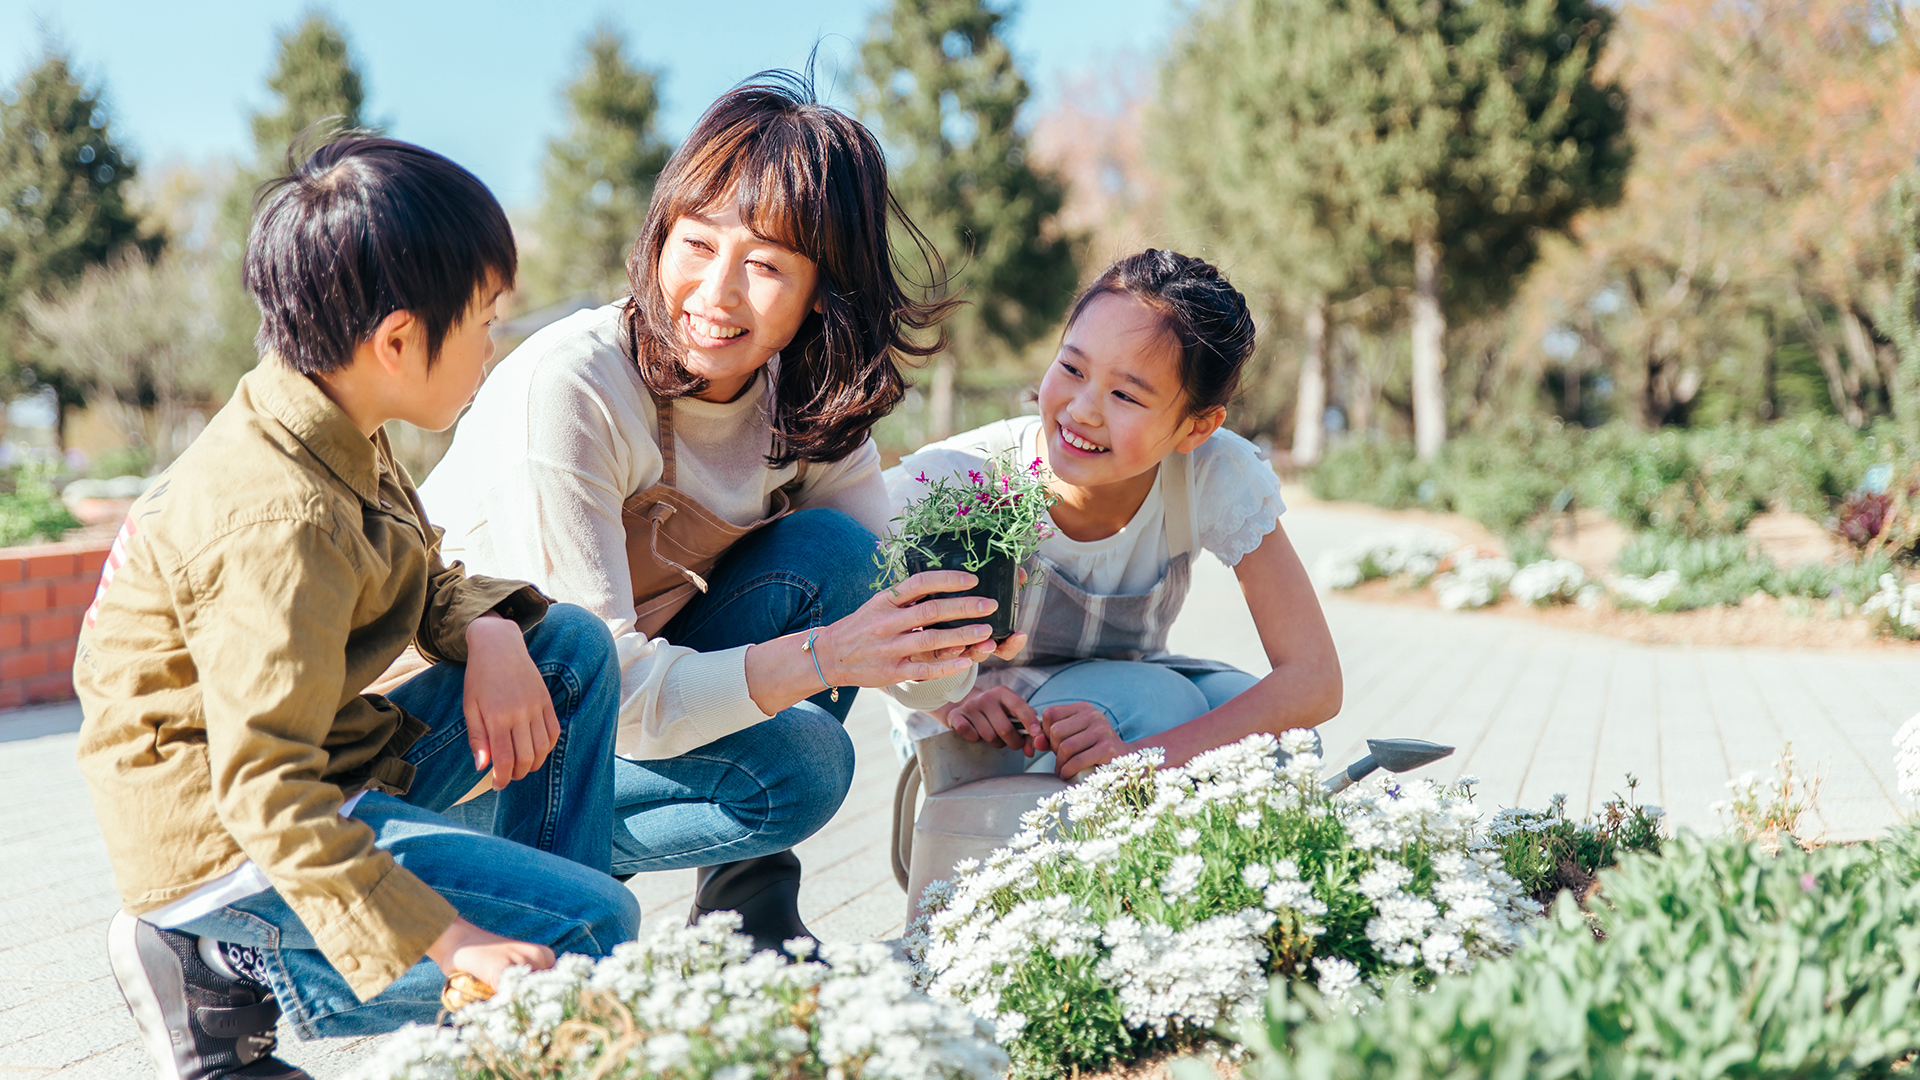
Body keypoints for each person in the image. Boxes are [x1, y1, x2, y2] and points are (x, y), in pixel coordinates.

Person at [75, 137, 638, 1080]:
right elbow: (265, 793)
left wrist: (490, 629)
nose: (495, 344)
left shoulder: (330, 415)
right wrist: (454, 940)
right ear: (398, 340)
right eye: (487, 320)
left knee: (565, 653)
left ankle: (516, 1009)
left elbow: (419, 572)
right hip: (228, 838)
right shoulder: (275, 519)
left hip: (312, 761)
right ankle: (219, 959)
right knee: (595, 927)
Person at [418, 72, 1017, 956]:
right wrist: (828, 655)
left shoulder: (806, 400)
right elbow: (603, 686)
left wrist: (952, 650)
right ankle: (510, 876)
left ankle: (744, 907)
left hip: (621, 711)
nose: (716, 293)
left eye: (767, 265)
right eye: (696, 244)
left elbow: (894, 640)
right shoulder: (573, 386)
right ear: (660, 236)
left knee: (835, 565)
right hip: (468, 745)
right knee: (801, 753)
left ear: (824, 289)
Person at [887, 250, 1343, 780]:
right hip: (984, 722)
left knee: (1280, 744)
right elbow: (852, 614)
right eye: (1072, 368)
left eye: (1125, 394)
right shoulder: (966, 476)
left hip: (1124, 701)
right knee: (1158, 704)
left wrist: (1149, 759)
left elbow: (1314, 680)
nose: (1082, 409)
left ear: (1196, 428)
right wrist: (949, 702)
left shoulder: (1212, 472)